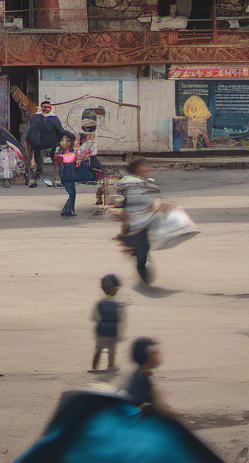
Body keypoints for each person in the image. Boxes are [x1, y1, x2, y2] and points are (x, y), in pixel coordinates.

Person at [117, 157, 161, 285]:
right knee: (143, 249)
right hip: (136, 222)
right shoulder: (130, 183)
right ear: (137, 169)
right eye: (143, 166)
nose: (146, 169)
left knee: (144, 247)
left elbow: (154, 199)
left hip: (146, 221)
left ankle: (140, 261)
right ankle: (141, 268)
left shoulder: (148, 183)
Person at [120, 337, 174, 417]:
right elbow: (137, 405)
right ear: (148, 358)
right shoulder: (140, 379)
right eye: (155, 354)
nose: (158, 356)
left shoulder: (140, 374)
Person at [24, 97, 70, 187]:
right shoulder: (35, 118)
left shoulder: (54, 118)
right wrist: (28, 140)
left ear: (50, 108)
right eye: (44, 107)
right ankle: (37, 172)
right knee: (36, 158)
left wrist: (68, 135)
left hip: (51, 143)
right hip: (37, 143)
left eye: (47, 107)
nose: (45, 109)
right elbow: (30, 130)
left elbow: (59, 130)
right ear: (41, 108)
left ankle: (57, 176)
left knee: (55, 158)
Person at [89, 274, 123, 373]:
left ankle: (95, 367)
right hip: (113, 329)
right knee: (112, 348)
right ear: (115, 288)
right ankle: (111, 365)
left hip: (101, 329)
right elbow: (120, 317)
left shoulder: (100, 303)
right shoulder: (116, 304)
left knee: (98, 349)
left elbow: (94, 317)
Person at [55, 133, 78, 217]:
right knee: (71, 193)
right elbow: (57, 166)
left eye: (65, 141)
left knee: (72, 193)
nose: (63, 143)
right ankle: (68, 210)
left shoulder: (72, 152)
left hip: (71, 173)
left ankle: (68, 210)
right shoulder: (59, 152)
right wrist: (57, 177)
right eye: (62, 141)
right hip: (65, 174)